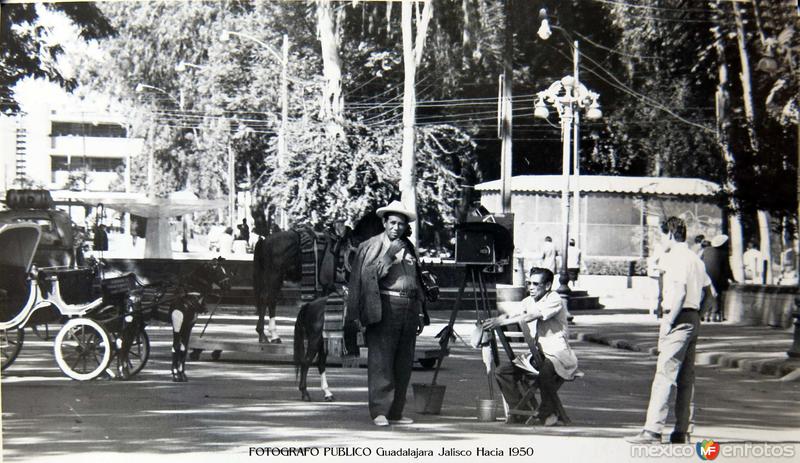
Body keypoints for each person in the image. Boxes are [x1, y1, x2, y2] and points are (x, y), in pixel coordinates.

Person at [627, 217, 713, 445]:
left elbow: (681, 292)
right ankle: (681, 430)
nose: (659, 240)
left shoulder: (674, 258)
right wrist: (698, 317)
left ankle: (652, 431)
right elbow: (710, 295)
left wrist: (668, 322)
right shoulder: (695, 259)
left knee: (664, 375)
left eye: (661, 235)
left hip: (677, 317)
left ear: (670, 234)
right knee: (686, 377)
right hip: (692, 318)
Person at [345, 200, 429, 427]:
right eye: (392, 223)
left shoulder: (408, 246)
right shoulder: (371, 245)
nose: (396, 228)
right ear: (384, 222)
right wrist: (389, 255)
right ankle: (380, 410)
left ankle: (396, 412)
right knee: (381, 361)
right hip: (384, 306)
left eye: (401, 224)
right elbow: (366, 277)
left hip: (409, 308)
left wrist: (420, 310)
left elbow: (416, 280)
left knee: (403, 362)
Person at [483, 267, 578, 426]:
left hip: (558, 353)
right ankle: (519, 408)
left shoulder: (554, 298)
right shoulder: (528, 301)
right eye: (529, 283)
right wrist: (492, 321)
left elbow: (530, 316)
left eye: (536, 284)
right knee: (502, 372)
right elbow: (511, 314)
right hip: (538, 353)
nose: (531, 287)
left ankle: (548, 412)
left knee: (545, 372)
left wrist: (500, 322)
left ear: (547, 286)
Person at [702, 234, 734, 322]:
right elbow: (727, 269)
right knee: (719, 293)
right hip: (717, 278)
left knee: (707, 295)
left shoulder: (706, 250)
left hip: (705, 277)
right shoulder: (723, 253)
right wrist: (733, 279)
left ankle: (705, 314)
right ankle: (715, 314)